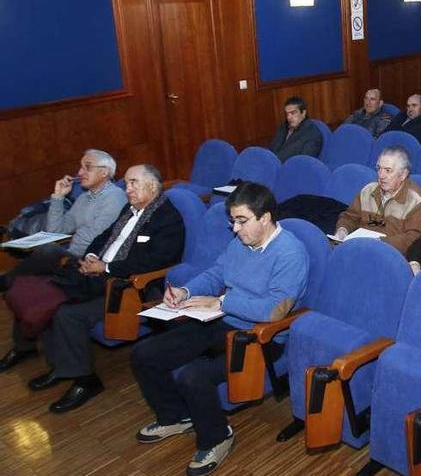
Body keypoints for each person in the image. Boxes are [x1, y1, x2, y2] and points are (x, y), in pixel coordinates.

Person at [131, 182, 308, 476]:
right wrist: (187, 292)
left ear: (265, 218)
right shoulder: (240, 242)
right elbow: (217, 273)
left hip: (260, 337)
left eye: (241, 220)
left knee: (193, 377)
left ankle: (217, 436)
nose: (235, 229)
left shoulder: (291, 253)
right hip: (220, 318)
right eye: (233, 221)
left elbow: (274, 310)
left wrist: (223, 302)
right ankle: (176, 416)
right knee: (144, 354)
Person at [26, 165, 185, 413]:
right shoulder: (129, 209)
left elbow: (157, 261)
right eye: (127, 183)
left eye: (133, 183)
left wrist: (106, 267)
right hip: (97, 275)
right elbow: (104, 237)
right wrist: (91, 256)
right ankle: (62, 367)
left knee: (67, 314)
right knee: (48, 296)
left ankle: (86, 380)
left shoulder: (167, 218)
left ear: (152, 186)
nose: (127, 188)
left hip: (126, 289)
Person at [0, 150, 127, 372]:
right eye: (80, 166)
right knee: (24, 285)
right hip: (71, 257)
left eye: (87, 167)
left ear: (105, 172)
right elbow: (56, 230)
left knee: (47, 253)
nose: (80, 172)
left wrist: (65, 255)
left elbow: (94, 241)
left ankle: (6, 280)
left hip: (91, 262)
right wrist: (58, 198)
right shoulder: (86, 197)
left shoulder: (115, 197)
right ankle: (23, 347)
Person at [335, 146, 421, 254]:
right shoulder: (368, 190)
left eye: (388, 171)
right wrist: (343, 229)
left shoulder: (415, 200)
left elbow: (414, 238)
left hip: (391, 255)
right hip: (359, 249)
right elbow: (349, 217)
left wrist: (380, 243)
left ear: (403, 174)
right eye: (379, 169)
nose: (381, 175)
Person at [266, 96, 323, 161]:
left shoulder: (312, 135)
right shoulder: (283, 127)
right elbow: (271, 149)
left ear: (303, 113)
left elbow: (304, 162)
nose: (289, 117)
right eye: (287, 114)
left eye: (293, 113)